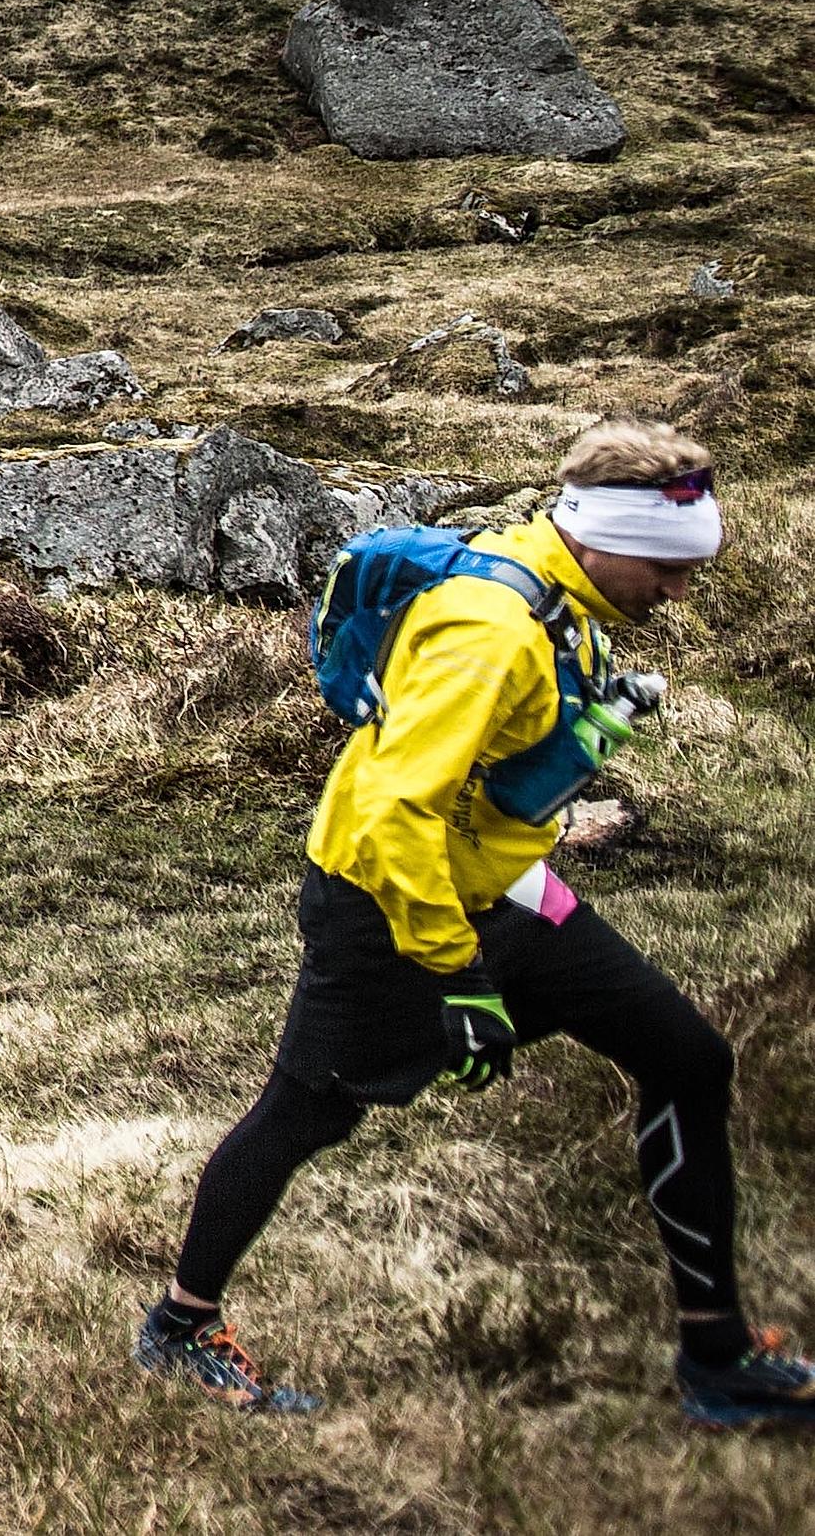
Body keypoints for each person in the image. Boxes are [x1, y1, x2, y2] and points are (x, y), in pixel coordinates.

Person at [138, 421, 811, 1427]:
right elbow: (392, 811)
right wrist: (457, 978)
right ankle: (182, 1326)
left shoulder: (559, 580)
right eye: (664, 567)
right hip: (385, 902)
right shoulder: (488, 630)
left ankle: (713, 1355)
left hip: (504, 886)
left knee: (688, 1057)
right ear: (600, 536)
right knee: (306, 1111)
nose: (675, 592)